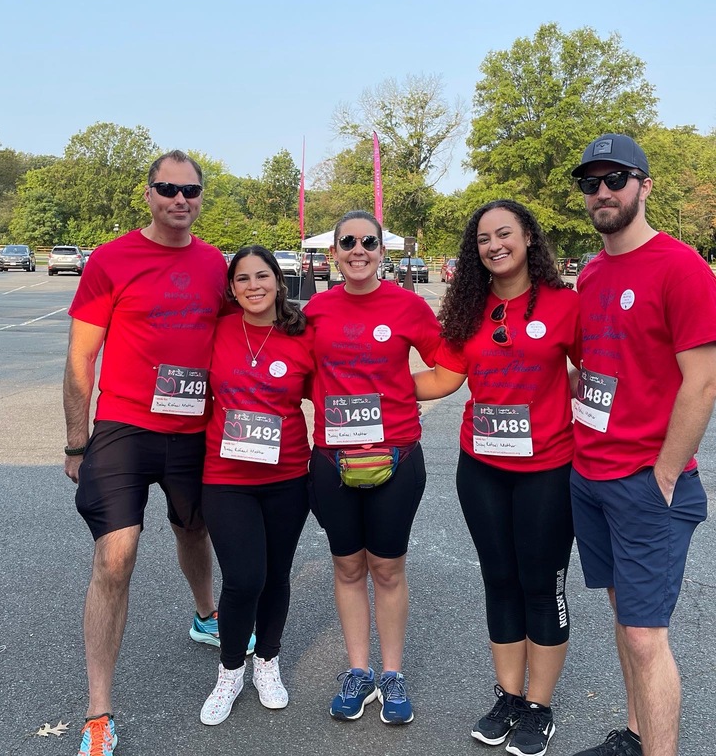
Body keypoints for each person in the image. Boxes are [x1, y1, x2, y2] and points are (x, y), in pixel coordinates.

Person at [63, 151, 228, 756]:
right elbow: (81, 356)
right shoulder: (111, 260)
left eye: (190, 190)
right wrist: (77, 439)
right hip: (126, 427)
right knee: (115, 558)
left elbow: (244, 333)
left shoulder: (215, 263)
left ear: (200, 197)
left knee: (195, 529)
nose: (179, 200)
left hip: (194, 429)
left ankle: (206, 614)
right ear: (149, 194)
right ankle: (98, 712)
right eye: (167, 189)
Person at [413, 200, 581, 756]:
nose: (494, 245)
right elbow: (443, 378)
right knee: (500, 580)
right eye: (483, 239)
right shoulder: (470, 309)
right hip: (480, 468)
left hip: (548, 471)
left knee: (541, 585)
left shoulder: (565, 305)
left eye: (504, 234)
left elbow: (593, 374)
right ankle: (508, 697)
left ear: (529, 237)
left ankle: (539, 707)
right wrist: (369, 381)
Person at [569, 134, 716, 756]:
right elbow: (595, 366)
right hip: (591, 474)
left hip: (645, 483)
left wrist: (663, 472)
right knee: (625, 624)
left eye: (616, 179)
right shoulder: (593, 269)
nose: (603, 192)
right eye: (591, 182)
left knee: (646, 637)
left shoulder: (681, 266)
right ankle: (632, 737)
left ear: (644, 185)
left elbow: (703, 379)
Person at [305, 210, 441, 725]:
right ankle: (358, 671)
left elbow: (448, 367)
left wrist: (398, 395)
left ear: (383, 251)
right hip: (332, 460)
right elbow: (298, 374)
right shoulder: (315, 309)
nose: (357, 250)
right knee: (347, 566)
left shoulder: (408, 307)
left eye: (368, 242)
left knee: (386, 568)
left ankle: (391, 673)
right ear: (334, 252)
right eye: (348, 242)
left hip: (397, 457)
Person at [198, 246, 313, 726]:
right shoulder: (217, 330)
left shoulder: (303, 334)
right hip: (226, 478)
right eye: (242, 279)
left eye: (261, 275)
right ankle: (230, 671)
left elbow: (334, 390)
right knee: (245, 578)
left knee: (277, 574)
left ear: (278, 282)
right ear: (232, 288)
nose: (253, 286)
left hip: (288, 475)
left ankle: (267, 660)